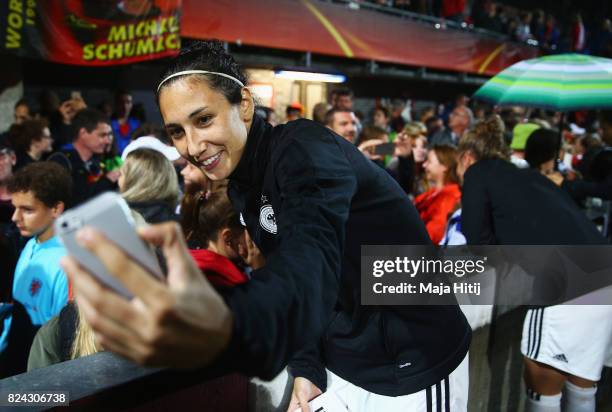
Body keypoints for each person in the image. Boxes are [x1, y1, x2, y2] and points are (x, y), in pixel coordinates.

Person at [62, 41, 470, 412]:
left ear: (242, 104)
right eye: (177, 132)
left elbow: (311, 256)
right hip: (352, 358)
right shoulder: (244, 182)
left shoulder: (305, 149)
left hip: (415, 361)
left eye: (203, 120)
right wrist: (307, 363)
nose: (192, 145)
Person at [456, 116, 609, 412]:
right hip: (602, 270)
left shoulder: (477, 172)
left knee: (543, 376)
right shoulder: (529, 177)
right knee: (582, 382)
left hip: (566, 283)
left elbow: (478, 244)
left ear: (467, 158)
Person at [0, 162, 72, 376]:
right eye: (15, 207)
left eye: (27, 210)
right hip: (14, 366)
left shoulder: (69, 264)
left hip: (40, 379)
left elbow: (63, 341)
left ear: (56, 209)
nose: (15, 218)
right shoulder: (31, 243)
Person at [48, 108, 119, 206]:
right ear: (83, 133)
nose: (108, 141)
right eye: (102, 135)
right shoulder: (60, 161)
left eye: (109, 135)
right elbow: (74, 199)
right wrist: (107, 181)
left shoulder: (97, 162)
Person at [414, 145, 461, 244]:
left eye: (429, 161)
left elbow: (435, 233)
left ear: (445, 166)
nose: (424, 165)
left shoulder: (451, 196)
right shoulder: (431, 194)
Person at [118, 148, 180, 224]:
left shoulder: (116, 222)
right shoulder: (182, 226)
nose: (118, 179)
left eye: (121, 174)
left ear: (135, 181)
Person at [111, 90, 142, 154]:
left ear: (131, 104)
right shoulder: (109, 124)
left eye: (128, 102)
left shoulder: (137, 124)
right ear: (116, 104)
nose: (125, 106)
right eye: (121, 102)